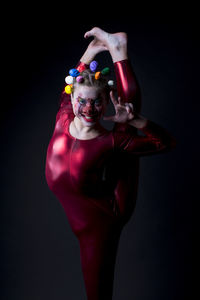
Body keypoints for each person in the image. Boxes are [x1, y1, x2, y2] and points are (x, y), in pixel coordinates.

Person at [45, 27, 176, 300]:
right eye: (82, 101)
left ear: (105, 104)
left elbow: (166, 144)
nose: (88, 109)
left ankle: (119, 54)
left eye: (96, 103)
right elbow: (72, 84)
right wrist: (92, 50)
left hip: (105, 218)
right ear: (71, 99)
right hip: (87, 213)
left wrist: (136, 121)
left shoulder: (110, 141)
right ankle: (117, 49)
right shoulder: (64, 115)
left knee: (98, 294)